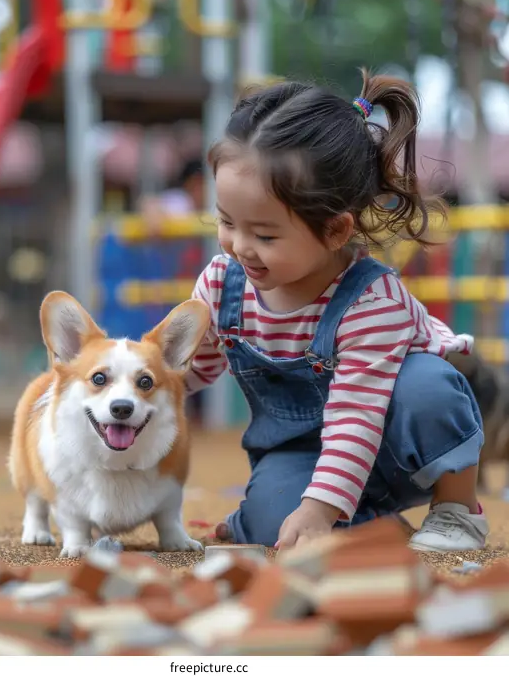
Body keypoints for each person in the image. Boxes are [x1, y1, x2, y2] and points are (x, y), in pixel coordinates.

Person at [184, 71, 489, 553]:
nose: (240, 247)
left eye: (265, 235)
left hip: (394, 441)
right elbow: (182, 371)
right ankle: (368, 527)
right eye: (226, 222)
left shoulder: (372, 302)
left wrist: (320, 508)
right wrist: (125, 393)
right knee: (275, 528)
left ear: (335, 230)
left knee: (429, 387)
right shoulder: (223, 287)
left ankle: (456, 511)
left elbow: (357, 415)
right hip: (300, 451)